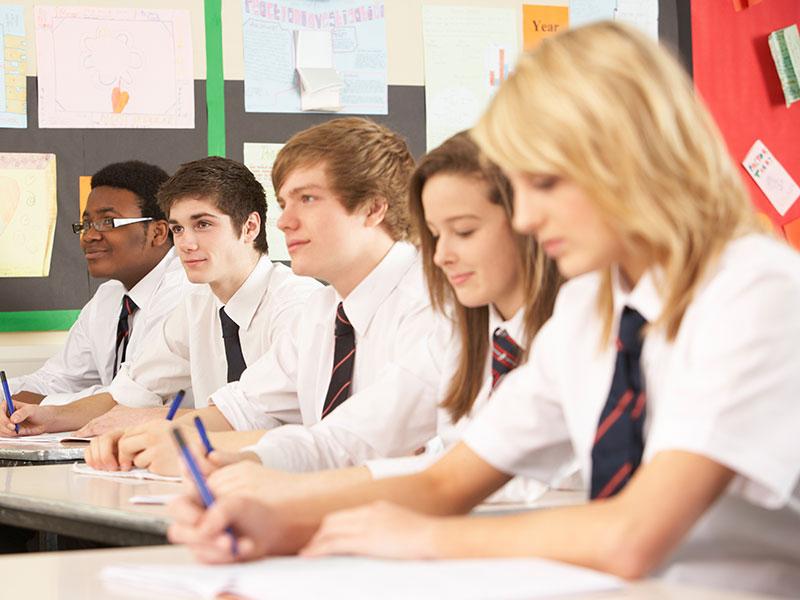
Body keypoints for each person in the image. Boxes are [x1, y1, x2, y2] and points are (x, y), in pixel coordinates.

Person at [167, 23, 800, 597]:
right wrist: (284, 519)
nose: (525, 219)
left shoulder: (752, 290)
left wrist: (423, 539)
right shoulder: (591, 306)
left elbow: (633, 536)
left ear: (633, 155)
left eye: (547, 183)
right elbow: (449, 479)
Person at [190, 132, 563, 505]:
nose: (441, 256)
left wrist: (303, 490)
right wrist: (250, 462)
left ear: (531, 222)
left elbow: (500, 478)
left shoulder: (564, 333)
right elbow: (351, 435)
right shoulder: (464, 334)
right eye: (434, 235)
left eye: (464, 231)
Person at [85, 117, 436, 476]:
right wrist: (155, 435)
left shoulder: (432, 307)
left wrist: (197, 444)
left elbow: (356, 442)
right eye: (285, 203)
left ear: (373, 208)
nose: (284, 222)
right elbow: (246, 407)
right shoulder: (324, 310)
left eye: (308, 199)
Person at [4, 156, 319, 436]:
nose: (186, 243)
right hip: (215, 472)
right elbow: (132, 390)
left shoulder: (298, 304)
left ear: (250, 227)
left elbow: (258, 415)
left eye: (203, 224)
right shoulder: (198, 305)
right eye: (179, 228)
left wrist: (149, 422)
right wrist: (48, 417)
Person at [4, 160, 184, 411]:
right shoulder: (108, 296)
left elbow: (137, 395)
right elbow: (58, 379)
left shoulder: (184, 292)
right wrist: (7, 397)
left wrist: (43, 404)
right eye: (86, 223)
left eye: (108, 222)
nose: (89, 235)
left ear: (158, 232)